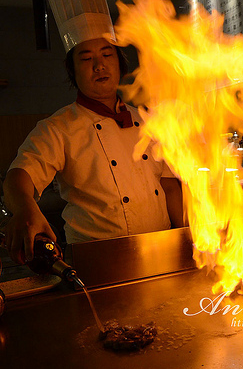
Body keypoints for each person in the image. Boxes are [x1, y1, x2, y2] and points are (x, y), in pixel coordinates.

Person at [3, 37, 184, 265]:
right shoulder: (58, 127)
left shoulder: (148, 121)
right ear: (73, 72)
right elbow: (19, 175)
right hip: (96, 258)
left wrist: (188, 235)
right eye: (87, 58)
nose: (99, 65)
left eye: (107, 55)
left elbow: (168, 186)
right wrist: (25, 209)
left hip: (162, 249)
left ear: (120, 64)